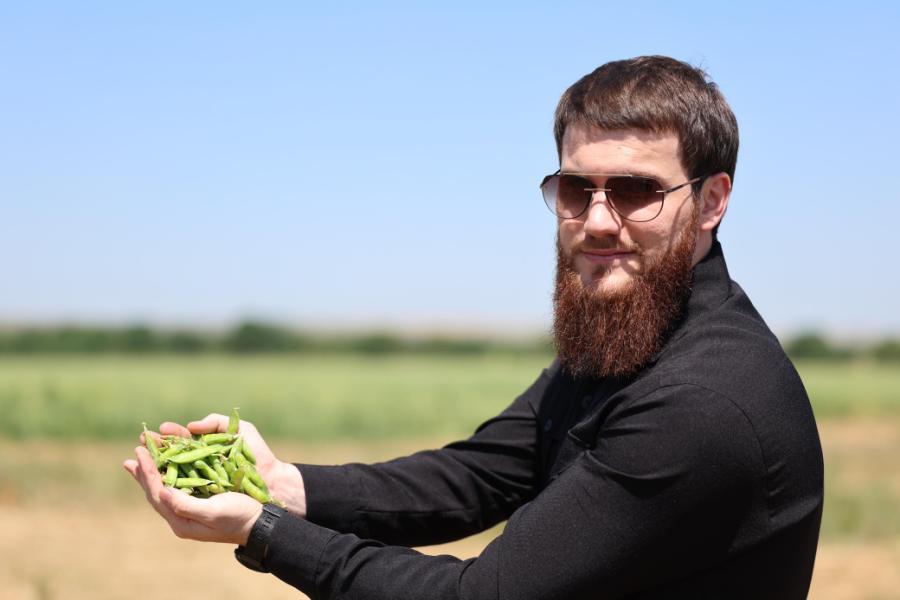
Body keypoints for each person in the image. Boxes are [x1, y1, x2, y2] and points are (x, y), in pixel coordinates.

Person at [125, 55, 824, 599]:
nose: (597, 220)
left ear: (712, 201)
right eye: (576, 188)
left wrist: (265, 531)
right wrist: (282, 486)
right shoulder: (634, 332)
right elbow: (479, 474)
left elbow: (483, 597)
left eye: (636, 190)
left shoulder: (700, 402)